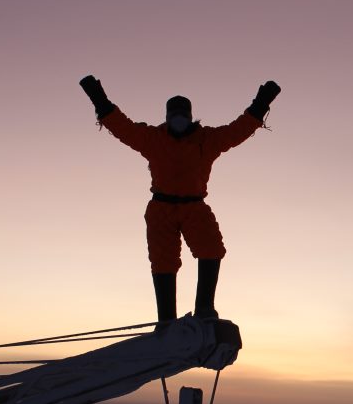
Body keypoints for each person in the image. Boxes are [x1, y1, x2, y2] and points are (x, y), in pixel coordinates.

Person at [79, 76, 280, 325]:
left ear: (190, 116)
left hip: (194, 206)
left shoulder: (207, 140)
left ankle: (204, 307)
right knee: (163, 261)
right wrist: (98, 98)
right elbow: (123, 128)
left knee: (211, 248)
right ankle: (166, 321)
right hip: (161, 208)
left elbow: (237, 131)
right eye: (174, 115)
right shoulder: (153, 139)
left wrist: (261, 103)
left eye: (183, 114)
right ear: (167, 117)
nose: (178, 119)